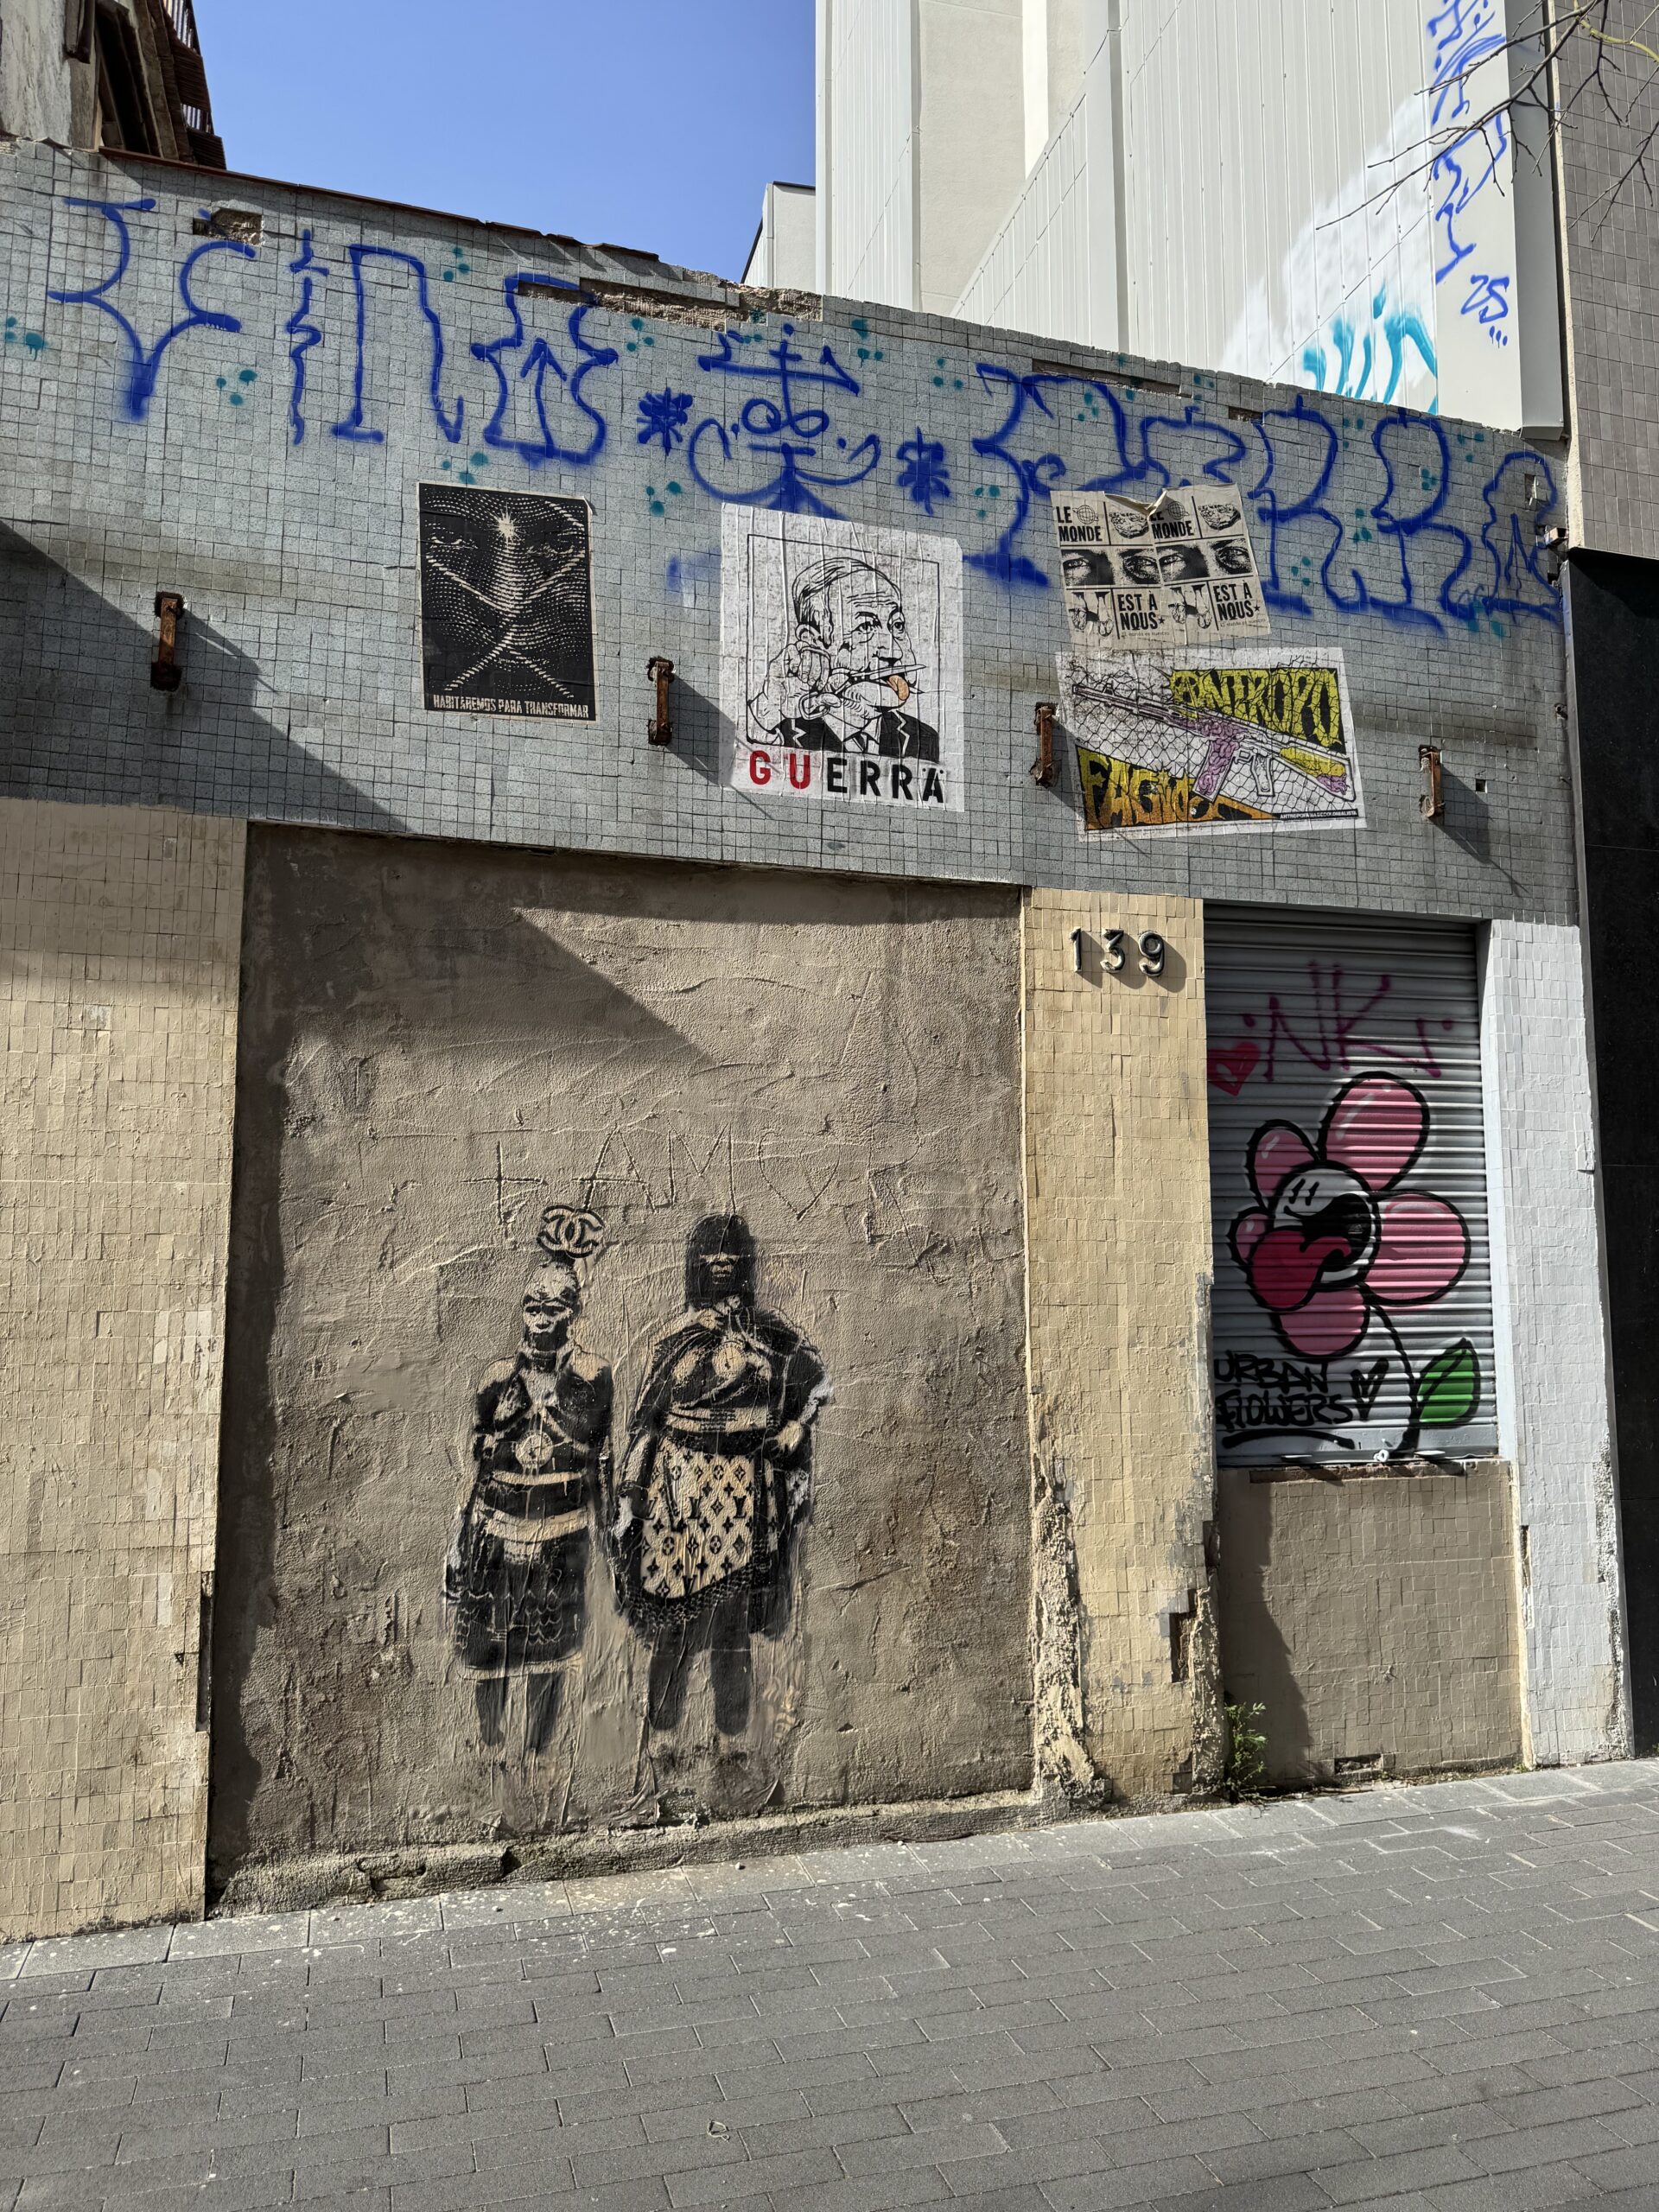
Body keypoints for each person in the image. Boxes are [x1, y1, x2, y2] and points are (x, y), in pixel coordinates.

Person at [612, 1215, 829, 1737]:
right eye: (711, 1255)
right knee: (673, 1618)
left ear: (745, 1264)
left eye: (732, 1254)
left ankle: (731, 1737)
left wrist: (797, 1426)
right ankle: (662, 1734)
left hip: (742, 1490)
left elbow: (817, 1382)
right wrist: (630, 1493)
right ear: (697, 1266)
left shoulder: (771, 1333)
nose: (722, 1263)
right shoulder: (675, 1337)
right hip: (677, 1488)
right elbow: (646, 1421)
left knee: (731, 1622)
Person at [446, 1231, 612, 1753]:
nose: (541, 1319)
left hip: (561, 1534)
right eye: (533, 1306)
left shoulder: (591, 1377)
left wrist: (609, 1532)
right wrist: (459, 1539)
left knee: (549, 1651)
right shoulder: (497, 1380)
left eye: (553, 1308)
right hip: (495, 1531)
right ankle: (491, 1748)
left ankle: (539, 1753)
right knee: (487, 1650)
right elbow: (476, 1469)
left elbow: (600, 1460)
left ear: (572, 1313)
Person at [748, 557, 940, 760]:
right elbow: (737, 751)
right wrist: (768, 708)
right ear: (813, 641)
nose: (895, 653)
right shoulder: (777, 729)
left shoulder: (924, 738)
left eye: (897, 625)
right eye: (865, 627)